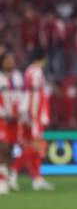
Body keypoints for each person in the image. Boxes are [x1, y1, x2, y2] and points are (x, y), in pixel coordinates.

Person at [15, 48, 53, 191]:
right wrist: (36, 115)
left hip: (31, 114)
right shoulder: (36, 73)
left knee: (36, 148)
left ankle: (37, 178)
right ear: (42, 59)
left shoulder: (29, 71)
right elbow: (35, 97)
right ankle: (13, 171)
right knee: (35, 146)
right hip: (35, 115)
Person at [0, 50, 24, 195]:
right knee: (2, 148)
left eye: (12, 59)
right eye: (8, 59)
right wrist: (3, 113)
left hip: (16, 119)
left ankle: (8, 177)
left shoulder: (18, 78)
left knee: (12, 149)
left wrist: (21, 111)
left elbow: (22, 96)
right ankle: (1, 180)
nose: (11, 62)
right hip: (2, 118)